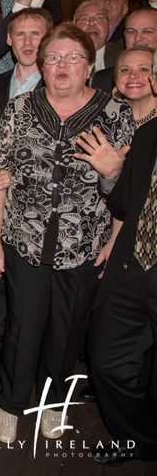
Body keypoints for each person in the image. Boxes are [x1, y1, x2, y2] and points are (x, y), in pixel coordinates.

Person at [0, 23, 135, 443]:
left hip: (83, 246)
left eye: (72, 58)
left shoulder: (115, 113)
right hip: (25, 240)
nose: (61, 65)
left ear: (90, 67)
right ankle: (11, 402)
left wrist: (111, 175)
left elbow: (127, 193)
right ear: (40, 64)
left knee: (67, 332)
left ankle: (53, 403)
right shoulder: (20, 109)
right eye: (53, 57)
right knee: (22, 325)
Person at [88, 51, 157, 466]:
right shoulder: (147, 133)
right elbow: (123, 203)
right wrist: (111, 172)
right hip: (135, 265)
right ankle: (139, 438)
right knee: (109, 359)